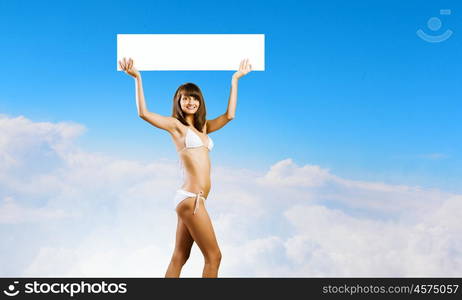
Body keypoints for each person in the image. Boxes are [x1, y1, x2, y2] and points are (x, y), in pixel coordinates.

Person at [118, 57, 252, 277]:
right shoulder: (176, 127)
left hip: (191, 199)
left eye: (195, 98)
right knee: (214, 257)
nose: (191, 102)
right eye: (185, 98)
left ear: (200, 102)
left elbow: (230, 115)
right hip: (192, 199)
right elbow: (144, 113)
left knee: (180, 256)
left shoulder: (204, 129)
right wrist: (137, 78)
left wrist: (235, 78)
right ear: (178, 102)